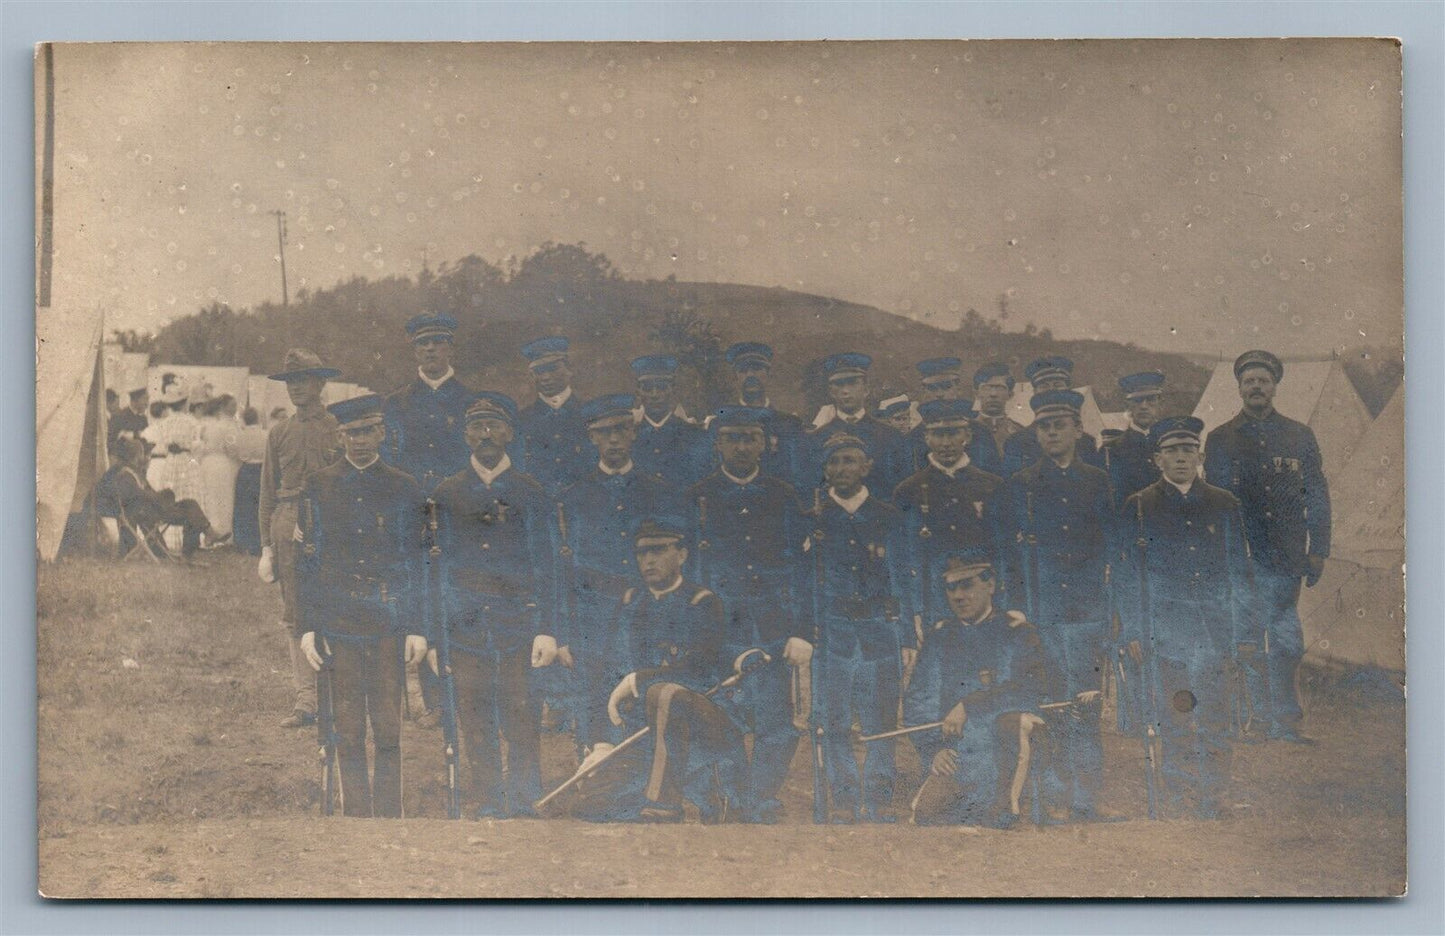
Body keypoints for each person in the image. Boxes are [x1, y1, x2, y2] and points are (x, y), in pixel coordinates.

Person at [296, 394, 428, 819]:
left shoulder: (405, 487)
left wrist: (416, 625)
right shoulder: (318, 485)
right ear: (340, 436)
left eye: (369, 431)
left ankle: (389, 814)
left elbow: (418, 561)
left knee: (388, 725)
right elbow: (308, 563)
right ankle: (355, 814)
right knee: (347, 727)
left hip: (387, 621)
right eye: (352, 433)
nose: (361, 441)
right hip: (338, 622)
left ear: (382, 433)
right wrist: (308, 626)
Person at [1119, 417, 1254, 818]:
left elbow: (1239, 572)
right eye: (1172, 451)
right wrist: (1133, 630)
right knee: (1176, 712)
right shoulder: (1140, 506)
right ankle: (1179, 794)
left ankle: (1214, 796)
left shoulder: (1224, 503)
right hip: (1164, 628)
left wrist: (1244, 631)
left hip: (1212, 628)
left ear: (1200, 455)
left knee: (1213, 713)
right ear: (1157, 458)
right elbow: (1127, 577)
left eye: (1188, 450)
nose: (1181, 458)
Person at [430, 393, 558, 818]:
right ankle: (488, 798)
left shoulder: (531, 492)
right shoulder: (447, 492)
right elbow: (438, 568)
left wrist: (546, 628)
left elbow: (547, 563)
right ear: (465, 436)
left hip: (518, 623)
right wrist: (438, 635)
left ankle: (523, 797)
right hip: (466, 626)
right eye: (477, 427)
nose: (486, 435)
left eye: (494, 426)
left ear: (509, 433)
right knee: (474, 713)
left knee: (521, 712)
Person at [996, 389, 1116, 822]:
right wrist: (1014, 606)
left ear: (1078, 429)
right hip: (1041, 611)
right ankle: (1049, 796)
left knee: (1085, 705)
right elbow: (1009, 555)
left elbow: (1112, 547)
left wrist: (1109, 606)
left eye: (1059, 425)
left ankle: (1084, 799)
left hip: (1086, 612)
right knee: (1048, 706)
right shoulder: (1022, 484)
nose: (1051, 433)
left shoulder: (1098, 481)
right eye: (1043, 426)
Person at [686, 406, 808, 823]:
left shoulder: (784, 495)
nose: (741, 447)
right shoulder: (698, 496)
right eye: (732, 438)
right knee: (725, 708)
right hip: (719, 619)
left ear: (764, 443)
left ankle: (761, 796)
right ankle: (731, 794)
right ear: (717, 444)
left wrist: (799, 629)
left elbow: (802, 566)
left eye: (750, 438)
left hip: (773, 619)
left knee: (776, 714)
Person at [1203, 350, 1330, 745]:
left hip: (1287, 558)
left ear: (1275, 386)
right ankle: (1257, 723)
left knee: (1287, 642)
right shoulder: (1221, 438)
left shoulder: (1299, 435)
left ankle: (1286, 723)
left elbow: (1317, 493)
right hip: (1242, 559)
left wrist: (1318, 547)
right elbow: (1215, 503)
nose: (1256, 387)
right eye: (1249, 381)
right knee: (1248, 641)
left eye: (1263, 380)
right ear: (1239, 388)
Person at [557, 394, 684, 752]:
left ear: (633, 434)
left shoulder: (657, 491)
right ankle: (596, 776)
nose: (613, 439)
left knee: (642, 687)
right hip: (592, 614)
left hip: (646, 608)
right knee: (592, 693)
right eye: (604, 432)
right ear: (592, 438)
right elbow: (565, 569)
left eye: (621, 430)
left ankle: (642, 777)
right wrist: (565, 631)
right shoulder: (574, 495)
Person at [601, 517, 739, 823]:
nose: (648, 560)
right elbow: (612, 667)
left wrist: (639, 679)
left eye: (659, 550)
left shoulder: (702, 602)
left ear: (682, 554)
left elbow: (697, 670)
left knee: (664, 692)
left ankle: (667, 801)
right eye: (641, 553)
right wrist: (602, 740)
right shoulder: (631, 601)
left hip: (701, 721)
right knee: (593, 802)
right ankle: (646, 789)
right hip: (644, 726)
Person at [905, 551, 1052, 828]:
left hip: (1003, 743)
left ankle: (1010, 804)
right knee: (926, 814)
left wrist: (969, 706)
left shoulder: (1017, 632)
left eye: (967, 585)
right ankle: (982, 803)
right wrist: (933, 751)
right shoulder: (939, 637)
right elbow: (919, 701)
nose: (958, 596)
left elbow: (1027, 690)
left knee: (1016, 724)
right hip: (960, 751)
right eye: (951, 588)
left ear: (990, 585)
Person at [804, 432, 907, 823]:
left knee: (881, 712)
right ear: (825, 469)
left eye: (850, 460)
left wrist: (905, 631)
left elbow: (901, 576)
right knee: (834, 716)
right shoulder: (814, 518)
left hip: (880, 625)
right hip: (832, 628)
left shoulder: (888, 515)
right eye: (833, 462)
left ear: (866, 467)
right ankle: (845, 796)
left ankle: (879, 797)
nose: (841, 469)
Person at [258, 349, 343, 730]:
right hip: (288, 520)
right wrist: (265, 547)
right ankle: (305, 700)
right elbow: (267, 494)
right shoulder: (279, 433)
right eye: (291, 381)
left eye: (304, 380)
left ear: (320, 384)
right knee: (296, 610)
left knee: (336, 603)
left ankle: (338, 694)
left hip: (331, 519)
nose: (296, 388)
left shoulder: (339, 428)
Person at [892, 399, 1005, 644]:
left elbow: (1003, 551)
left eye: (953, 433)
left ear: (967, 435)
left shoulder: (991, 486)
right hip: (935, 600)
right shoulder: (908, 491)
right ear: (926, 438)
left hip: (984, 600)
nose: (946, 443)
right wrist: (914, 611)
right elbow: (903, 557)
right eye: (937, 434)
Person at [382, 312, 478, 494]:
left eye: (438, 342)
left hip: (459, 498)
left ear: (451, 349)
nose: (430, 348)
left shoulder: (471, 401)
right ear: (415, 352)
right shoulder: (395, 403)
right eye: (423, 343)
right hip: (411, 497)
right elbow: (388, 456)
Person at [805, 352, 907, 498]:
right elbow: (812, 486)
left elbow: (902, 489)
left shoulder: (890, 436)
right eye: (839, 385)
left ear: (866, 390)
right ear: (831, 392)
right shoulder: (816, 439)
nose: (845, 391)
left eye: (852, 383)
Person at [103, 436, 221, 559]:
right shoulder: (126, 475)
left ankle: (207, 533)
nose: (145, 457)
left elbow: (147, 494)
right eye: (142, 454)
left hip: (154, 508)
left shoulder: (135, 473)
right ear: (137, 456)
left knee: (190, 504)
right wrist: (163, 496)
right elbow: (140, 496)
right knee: (190, 512)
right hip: (151, 513)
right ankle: (195, 546)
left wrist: (163, 496)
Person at [1001, 357, 1101, 477]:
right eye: (1044, 386)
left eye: (1057, 385)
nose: (1051, 391)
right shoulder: (1017, 442)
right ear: (1034, 392)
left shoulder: (1086, 442)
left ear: (1068, 390)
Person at [722, 341, 805, 486]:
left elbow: (797, 473)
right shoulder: (722, 423)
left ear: (768, 374)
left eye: (756, 369)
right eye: (743, 371)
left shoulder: (790, 424)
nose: (750, 375)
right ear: (735, 377)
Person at [517, 336, 590, 496]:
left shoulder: (589, 414)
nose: (545, 377)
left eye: (552, 369)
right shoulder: (520, 420)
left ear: (569, 369)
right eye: (539, 372)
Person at [630, 354, 711, 485]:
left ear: (672, 389)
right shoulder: (630, 436)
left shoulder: (693, 435)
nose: (655, 395)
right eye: (648, 388)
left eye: (661, 387)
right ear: (638, 391)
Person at [1101, 371, 1167, 506]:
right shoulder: (1111, 449)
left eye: (1150, 400)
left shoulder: (1170, 446)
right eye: (1137, 400)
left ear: (1160, 403)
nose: (1144, 406)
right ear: (1128, 405)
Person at [905, 357, 967, 473]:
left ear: (958, 389)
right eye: (932, 388)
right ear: (923, 392)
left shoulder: (979, 431)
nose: (939, 394)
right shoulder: (912, 439)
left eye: (946, 387)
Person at [194, 395, 241, 542]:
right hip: (222, 463)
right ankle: (222, 533)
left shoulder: (204, 424)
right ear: (221, 408)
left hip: (207, 463)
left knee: (210, 497)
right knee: (223, 498)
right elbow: (232, 448)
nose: (235, 408)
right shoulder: (225, 425)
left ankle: (211, 533)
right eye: (232, 405)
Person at [968, 363, 1026, 477]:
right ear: (976, 393)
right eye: (986, 387)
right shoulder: (966, 430)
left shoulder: (1020, 433)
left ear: (1010, 394)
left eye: (1000, 388)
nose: (993, 394)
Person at [231, 407, 269, 555]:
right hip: (261, 470)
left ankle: (243, 542)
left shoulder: (239, 435)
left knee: (243, 506)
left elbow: (235, 452)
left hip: (246, 470)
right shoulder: (266, 435)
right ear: (258, 419)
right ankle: (259, 542)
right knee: (260, 506)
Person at [107, 384, 149, 456]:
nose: (147, 404)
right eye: (145, 399)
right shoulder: (118, 417)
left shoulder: (143, 419)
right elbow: (109, 444)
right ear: (135, 400)